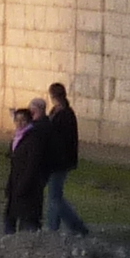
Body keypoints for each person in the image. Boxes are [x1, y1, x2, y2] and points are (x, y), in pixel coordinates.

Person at [40, 82, 90, 237]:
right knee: (54, 195)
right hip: (58, 161)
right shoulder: (60, 112)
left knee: (55, 197)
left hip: (59, 162)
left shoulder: (64, 115)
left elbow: (60, 139)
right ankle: (55, 227)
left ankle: (73, 226)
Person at [0, 98, 51, 233]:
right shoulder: (18, 137)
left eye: (23, 120)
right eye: (17, 120)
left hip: (29, 185)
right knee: (10, 217)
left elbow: (32, 165)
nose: (19, 123)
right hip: (16, 182)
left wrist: (24, 184)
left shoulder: (33, 138)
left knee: (28, 221)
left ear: (29, 121)